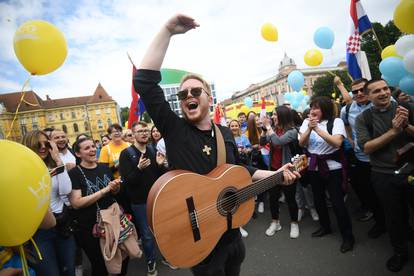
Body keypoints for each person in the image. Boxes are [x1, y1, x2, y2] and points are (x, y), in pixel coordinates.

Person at [133, 14, 299, 276]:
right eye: (183, 93)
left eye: (195, 91)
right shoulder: (174, 129)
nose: (188, 95)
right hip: (201, 242)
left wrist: (277, 175)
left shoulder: (224, 132)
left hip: (231, 236)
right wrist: (167, 31)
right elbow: (143, 82)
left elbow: (240, 169)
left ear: (208, 98)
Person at [355, 79, 414, 272]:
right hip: (384, 175)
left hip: (411, 170)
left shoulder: (406, 107)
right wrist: (394, 131)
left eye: (385, 88)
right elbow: (367, 147)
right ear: (368, 96)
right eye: (376, 91)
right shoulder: (364, 118)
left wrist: (406, 126)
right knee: (394, 216)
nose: (383, 93)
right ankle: (400, 253)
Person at [299, 96, 355, 253]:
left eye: (316, 107)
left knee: (337, 203)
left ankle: (348, 236)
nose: (312, 111)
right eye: (311, 108)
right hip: (314, 168)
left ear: (325, 108)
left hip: (333, 168)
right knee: (318, 200)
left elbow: (337, 143)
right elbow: (301, 143)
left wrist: (317, 129)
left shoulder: (335, 122)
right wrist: (310, 128)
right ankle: (325, 227)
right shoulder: (306, 123)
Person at [68, 137, 125, 276]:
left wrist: (115, 187)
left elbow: (113, 193)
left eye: (93, 146)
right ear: (78, 154)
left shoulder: (104, 167)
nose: (92, 149)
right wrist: (104, 190)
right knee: (100, 265)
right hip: (90, 228)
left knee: (120, 258)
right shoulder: (74, 173)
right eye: (87, 148)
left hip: (112, 221)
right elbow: (76, 203)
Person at [22, 130, 76, 276]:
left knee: (69, 270)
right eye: (37, 144)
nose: (43, 147)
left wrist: (58, 160)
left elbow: (66, 189)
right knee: (50, 273)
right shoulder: (22, 170)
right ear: (28, 146)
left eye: (46, 143)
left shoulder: (52, 165)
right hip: (39, 230)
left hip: (62, 224)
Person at [337, 78, 387, 237]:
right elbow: (345, 124)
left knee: (391, 195)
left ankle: (401, 227)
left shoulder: (384, 103)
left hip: (386, 159)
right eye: (355, 91)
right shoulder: (347, 109)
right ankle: (380, 223)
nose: (359, 94)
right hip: (362, 159)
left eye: (362, 90)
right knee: (370, 194)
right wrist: (350, 139)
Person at [119, 121, 169, 275]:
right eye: (140, 131)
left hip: (157, 199)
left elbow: (159, 177)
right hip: (140, 203)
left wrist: (161, 165)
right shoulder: (127, 154)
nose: (145, 133)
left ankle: (167, 257)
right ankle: (151, 262)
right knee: (147, 236)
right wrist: (139, 169)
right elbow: (127, 182)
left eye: (146, 130)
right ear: (133, 135)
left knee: (162, 231)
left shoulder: (153, 150)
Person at [260, 106, 300, 238]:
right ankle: (275, 222)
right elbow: (262, 142)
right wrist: (264, 129)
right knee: (273, 198)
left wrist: (269, 128)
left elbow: (278, 142)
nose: (272, 117)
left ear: (282, 116)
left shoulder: (292, 131)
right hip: (273, 169)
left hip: (288, 170)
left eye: (275, 115)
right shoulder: (274, 129)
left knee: (290, 198)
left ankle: (294, 223)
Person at [228, 119, 251, 238]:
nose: (234, 127)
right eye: (232, 126)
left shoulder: (244, 138)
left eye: (236, 125)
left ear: (239, 126)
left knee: (242, 196)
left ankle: (241, 222)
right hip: (230, 173)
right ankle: (238, 226)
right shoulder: (226, 139)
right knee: (233, 198)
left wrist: (246, 150)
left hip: (243, 168)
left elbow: (250, 149)